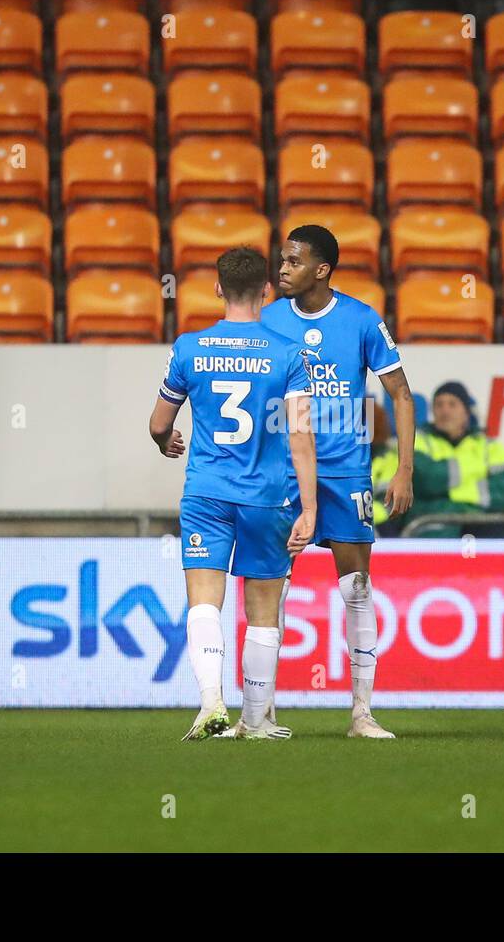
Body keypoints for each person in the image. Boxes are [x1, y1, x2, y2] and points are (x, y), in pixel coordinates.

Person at [148, 247, 318, 741]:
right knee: (263, 610)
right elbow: (301, 435)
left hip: (206, 493)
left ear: (219, 289)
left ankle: (210, 704)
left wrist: (165, 440)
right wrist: (308, 508)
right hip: (268, 497)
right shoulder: (289, 354)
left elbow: (160, 423)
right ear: (266, 291)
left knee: (204, 601)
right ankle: (257, 720)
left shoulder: (189, 348)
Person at [261, 224, 416, 739]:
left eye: (293, 261)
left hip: (346, 471)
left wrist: (403, 469)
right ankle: (262, 711)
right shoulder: (268, 320)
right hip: (285, 473)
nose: (282, 269)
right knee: (273, 591)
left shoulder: (361, 320)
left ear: (321, 269)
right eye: (282, 261)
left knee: (357, 590)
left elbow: (401, 394)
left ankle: (361, 713)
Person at [405, 381, 504, 539]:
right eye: (439, 405)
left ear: (466, 413)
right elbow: (425, 481)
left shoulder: (489, 446)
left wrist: (448, 496)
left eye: (452, 404)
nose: (445, 411)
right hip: (432, 528)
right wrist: (475, 476)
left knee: (497, 538)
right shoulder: (417, 441)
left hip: (482, 526)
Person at [368, 403, 404, 537]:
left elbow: (387, 507)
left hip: (381, 531)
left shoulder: (390, 460)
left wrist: (351, 509)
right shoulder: (338, 457)